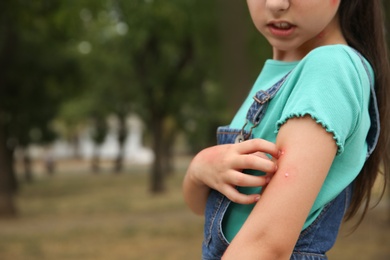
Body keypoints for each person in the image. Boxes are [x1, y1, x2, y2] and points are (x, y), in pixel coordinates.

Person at [183, 0, 390, 259]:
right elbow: (206, 207)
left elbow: (267, 245)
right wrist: (199, 168)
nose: (276, 4)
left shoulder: (329, 68)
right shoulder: (282, 73)